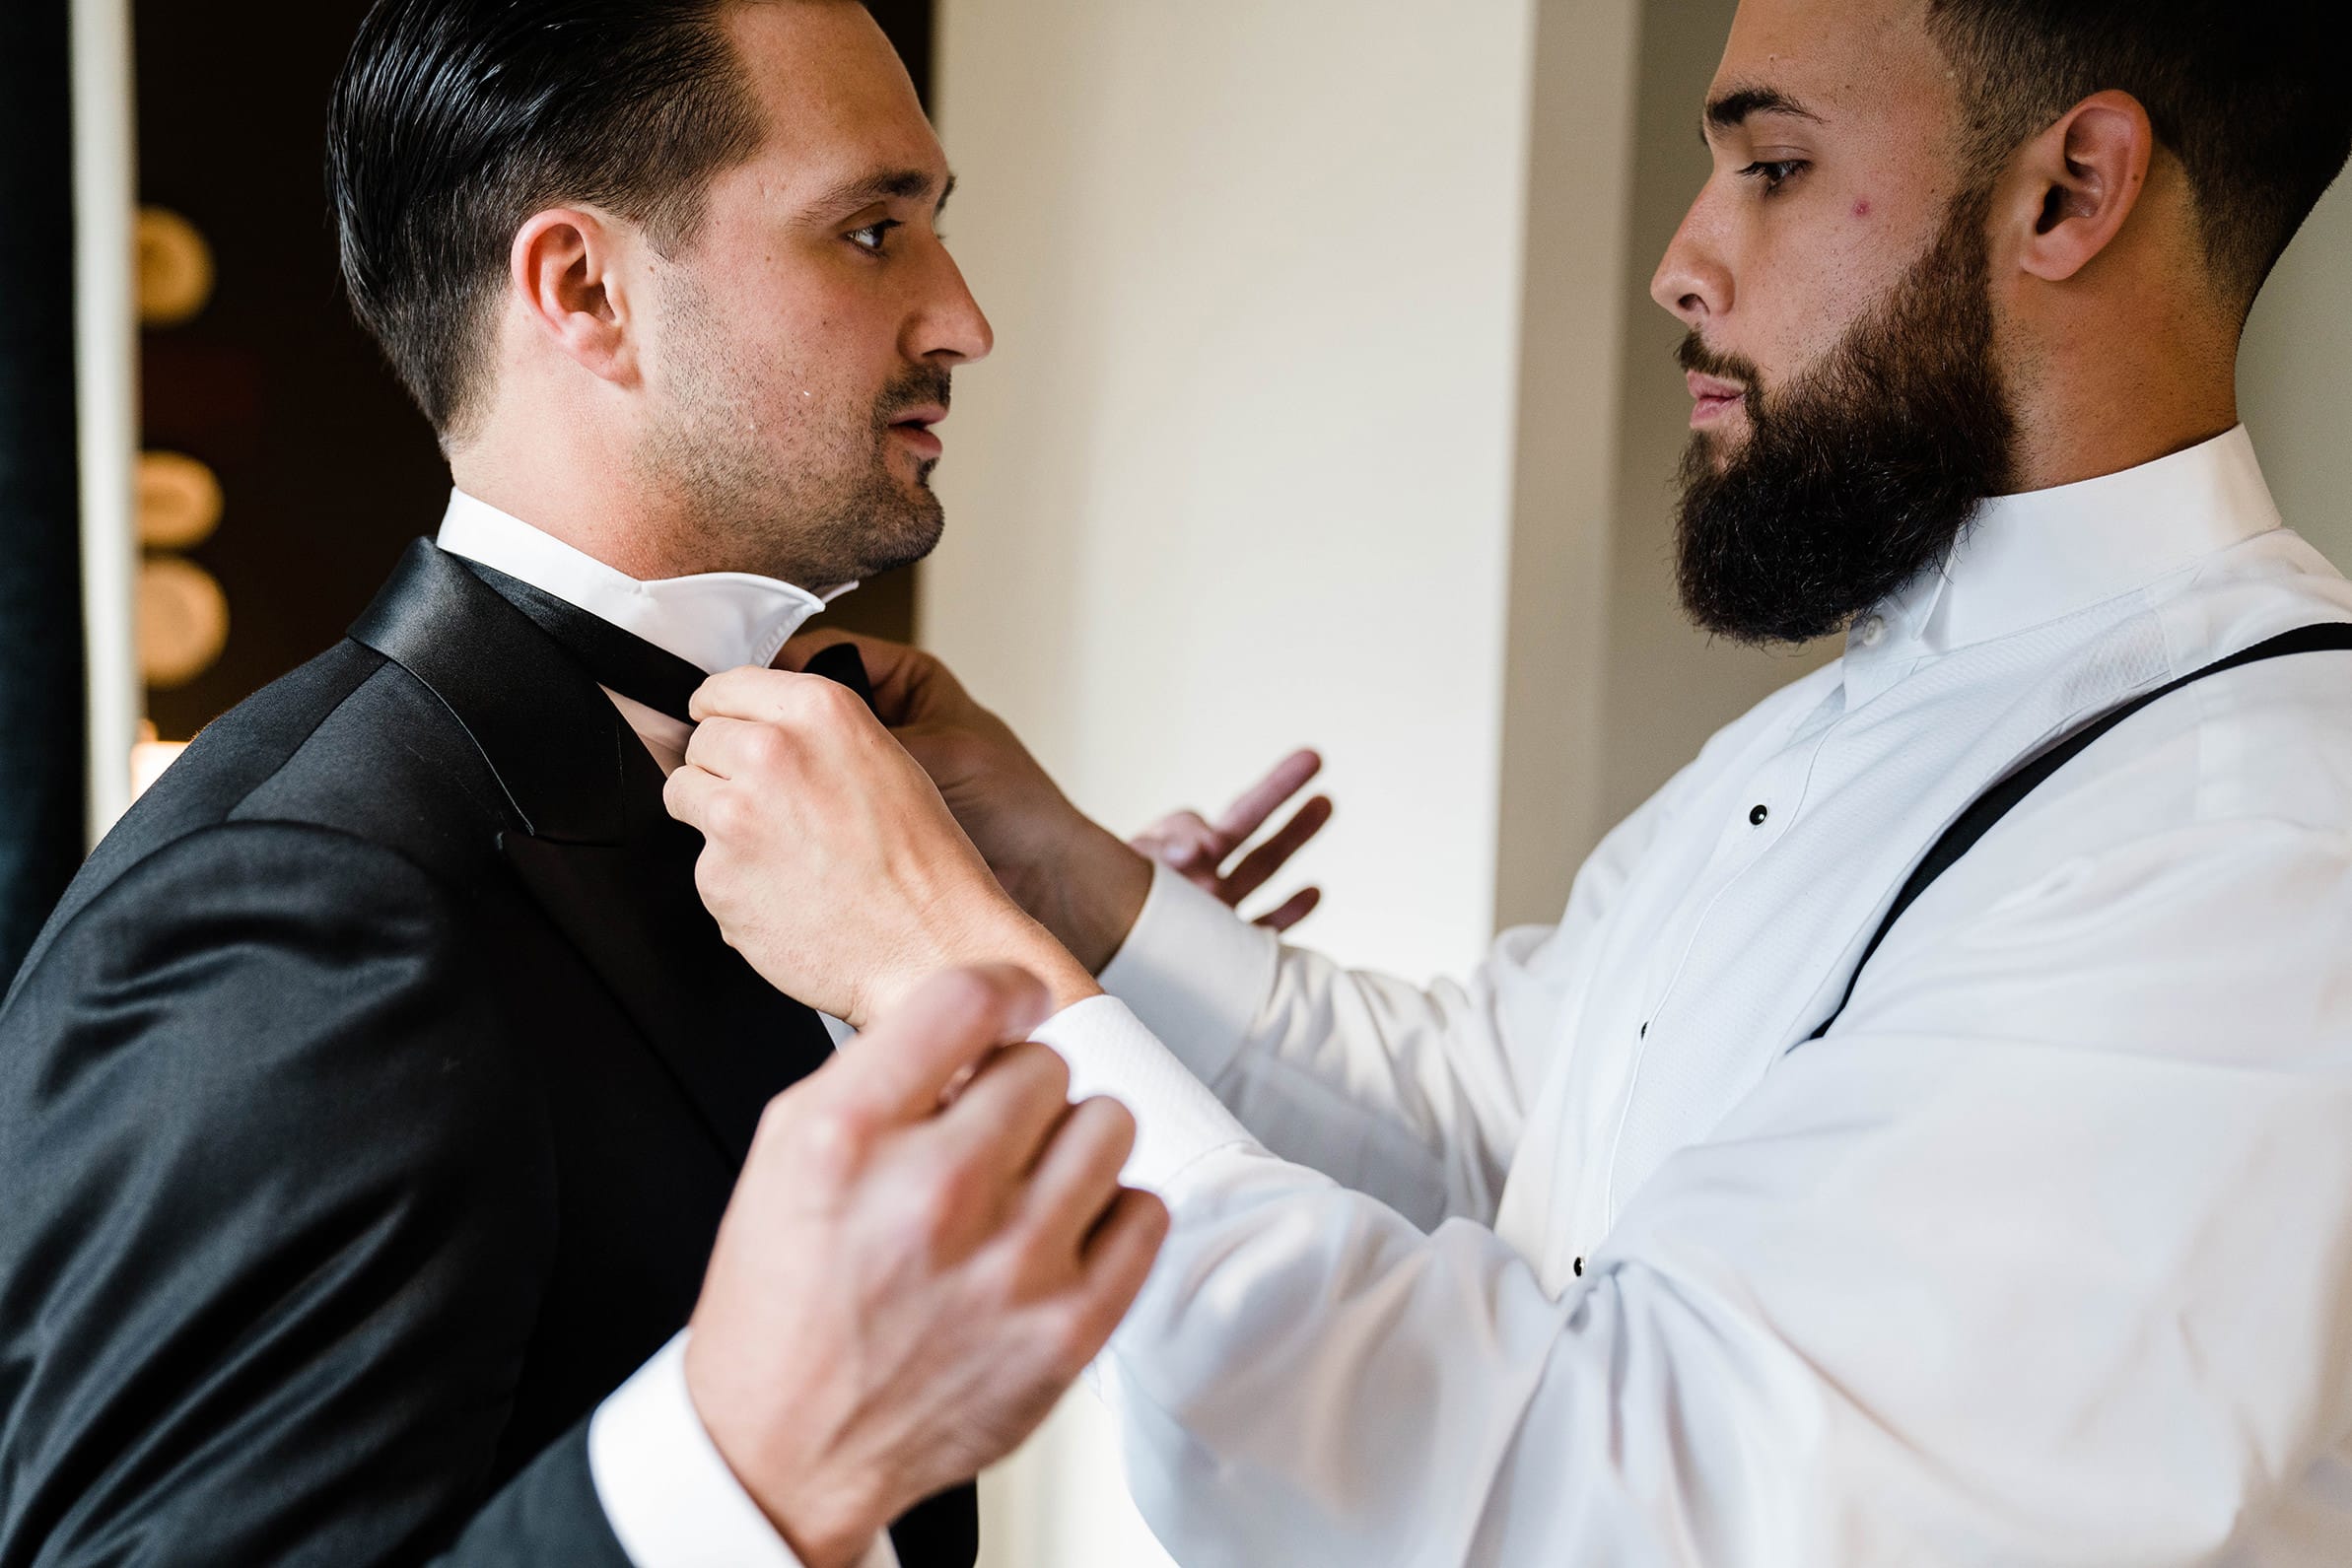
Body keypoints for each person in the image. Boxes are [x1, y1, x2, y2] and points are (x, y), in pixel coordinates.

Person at [666, 0, 2352, 1561]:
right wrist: (1062, 893)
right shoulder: (1817, 744)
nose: (1679, 264)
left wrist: (926, 953)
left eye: (1771, 167)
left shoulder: (2255, 847)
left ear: (2066, 195)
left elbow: (1598, 1497)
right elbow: (1505, 1133)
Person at [0, 4, 1181, 1566]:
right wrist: (746, 1475)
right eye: (872, 229)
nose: (961, 316)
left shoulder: (817, 795)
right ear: (585, 290)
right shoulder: (297, 907)